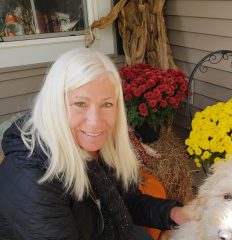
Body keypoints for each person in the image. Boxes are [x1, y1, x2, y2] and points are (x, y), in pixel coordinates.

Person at [0, 48, 188, 240]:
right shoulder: (31, 174)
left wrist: (174, 213)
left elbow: (127, 202)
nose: (95, 121)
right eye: (80, 104)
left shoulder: (103, 148)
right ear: (54, 105)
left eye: (106, 104)